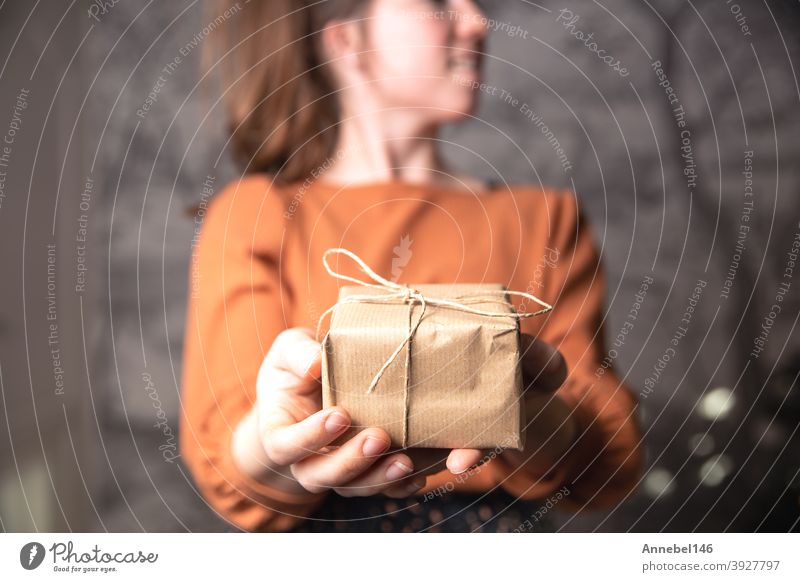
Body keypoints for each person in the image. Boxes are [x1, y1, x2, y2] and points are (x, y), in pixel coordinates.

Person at [180, 0, 642, 532]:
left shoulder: (546, 219)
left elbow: (608, 455)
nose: (476, 21)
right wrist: (277, 439)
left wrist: (526, 414)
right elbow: (232, 468)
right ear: (345, 41)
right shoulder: (255, 215)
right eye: (440, 4)